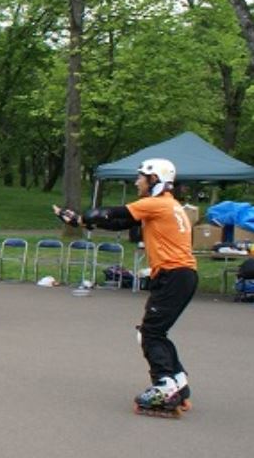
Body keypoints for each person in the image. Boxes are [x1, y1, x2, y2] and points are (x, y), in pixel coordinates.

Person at [54, 158, 197, 416]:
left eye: (140, 177)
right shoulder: (170, 205)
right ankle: (179, 383)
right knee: (156, 332)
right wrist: (82, 223)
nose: (136, 181)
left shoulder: (155, 203)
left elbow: (113, 214)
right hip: (182, 275)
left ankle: (165, 385)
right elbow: (122, 223)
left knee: (150, 333)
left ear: (154, 179)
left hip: (173, 274)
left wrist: (81, 217)